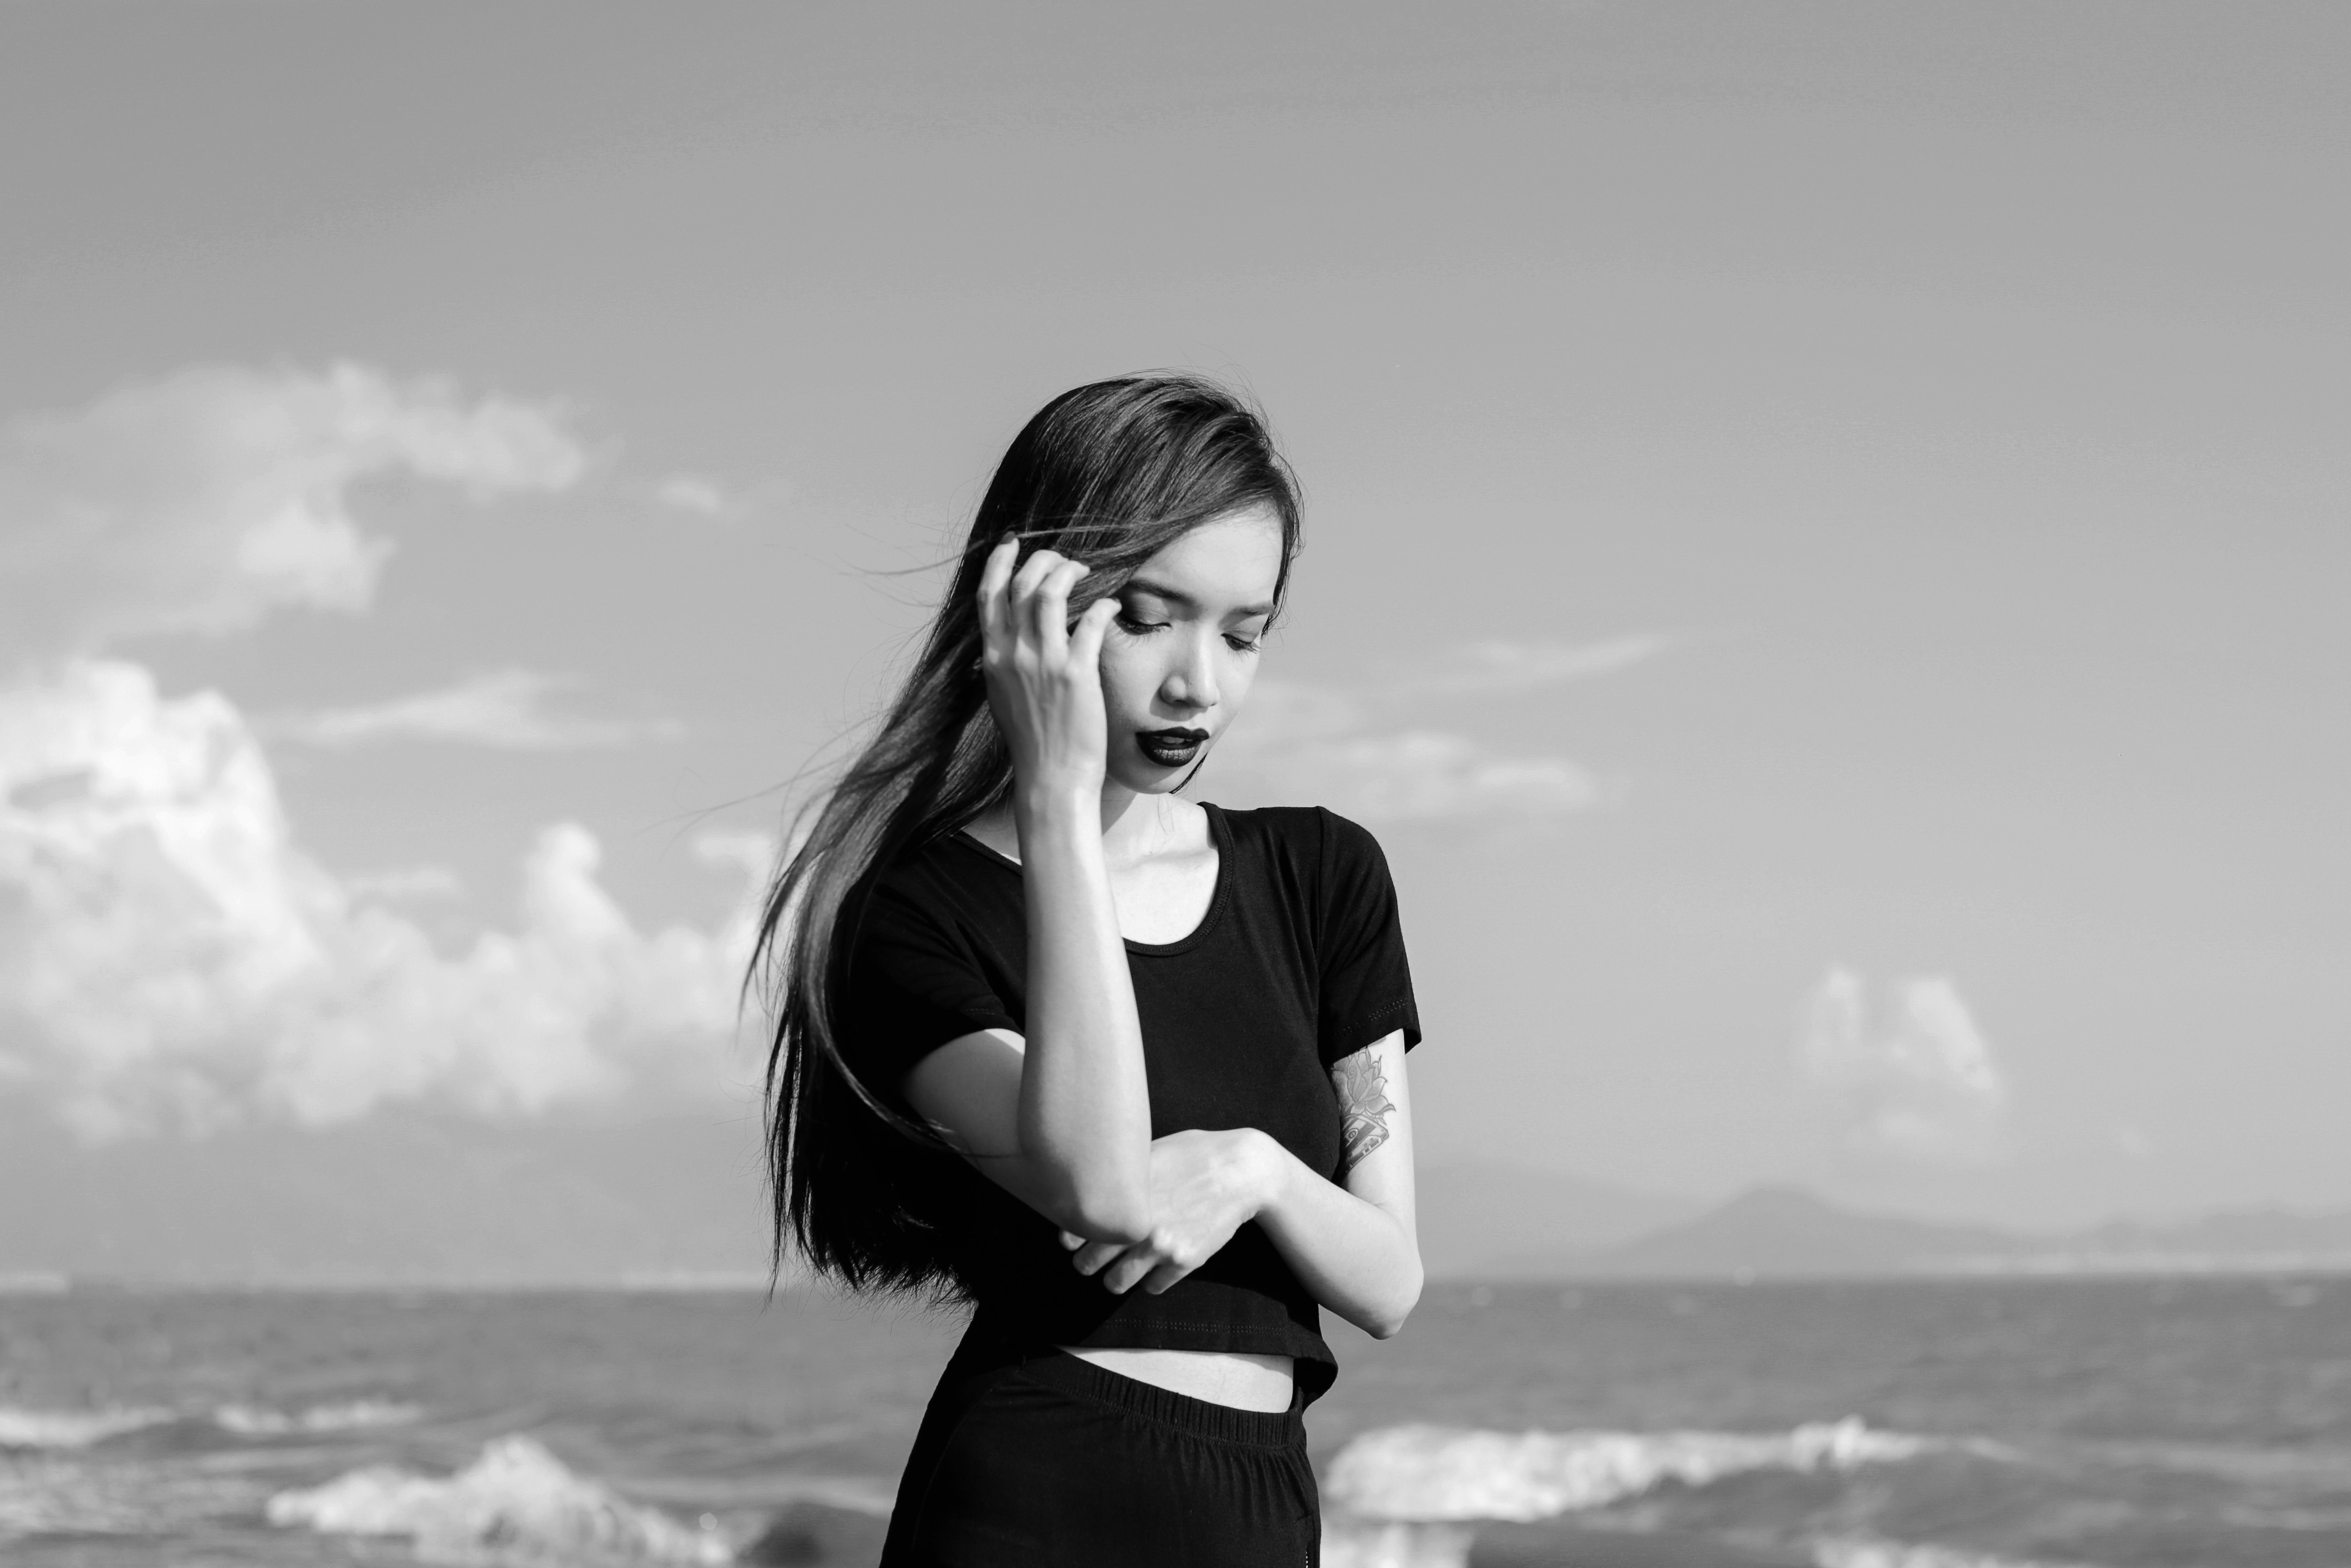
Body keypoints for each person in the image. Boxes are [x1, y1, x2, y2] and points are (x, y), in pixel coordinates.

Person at [749, 373, 1423, 1566]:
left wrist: (1251, 1166)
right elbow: (1102, 1185)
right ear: (1031, 613)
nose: (1196, 684)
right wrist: (1058, 803)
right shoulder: (917, 915)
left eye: (1242, 631)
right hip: (1032, 1490)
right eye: (1146, 615)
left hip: (1260, 1507)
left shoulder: (1324, 878)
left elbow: (1385, 1280)